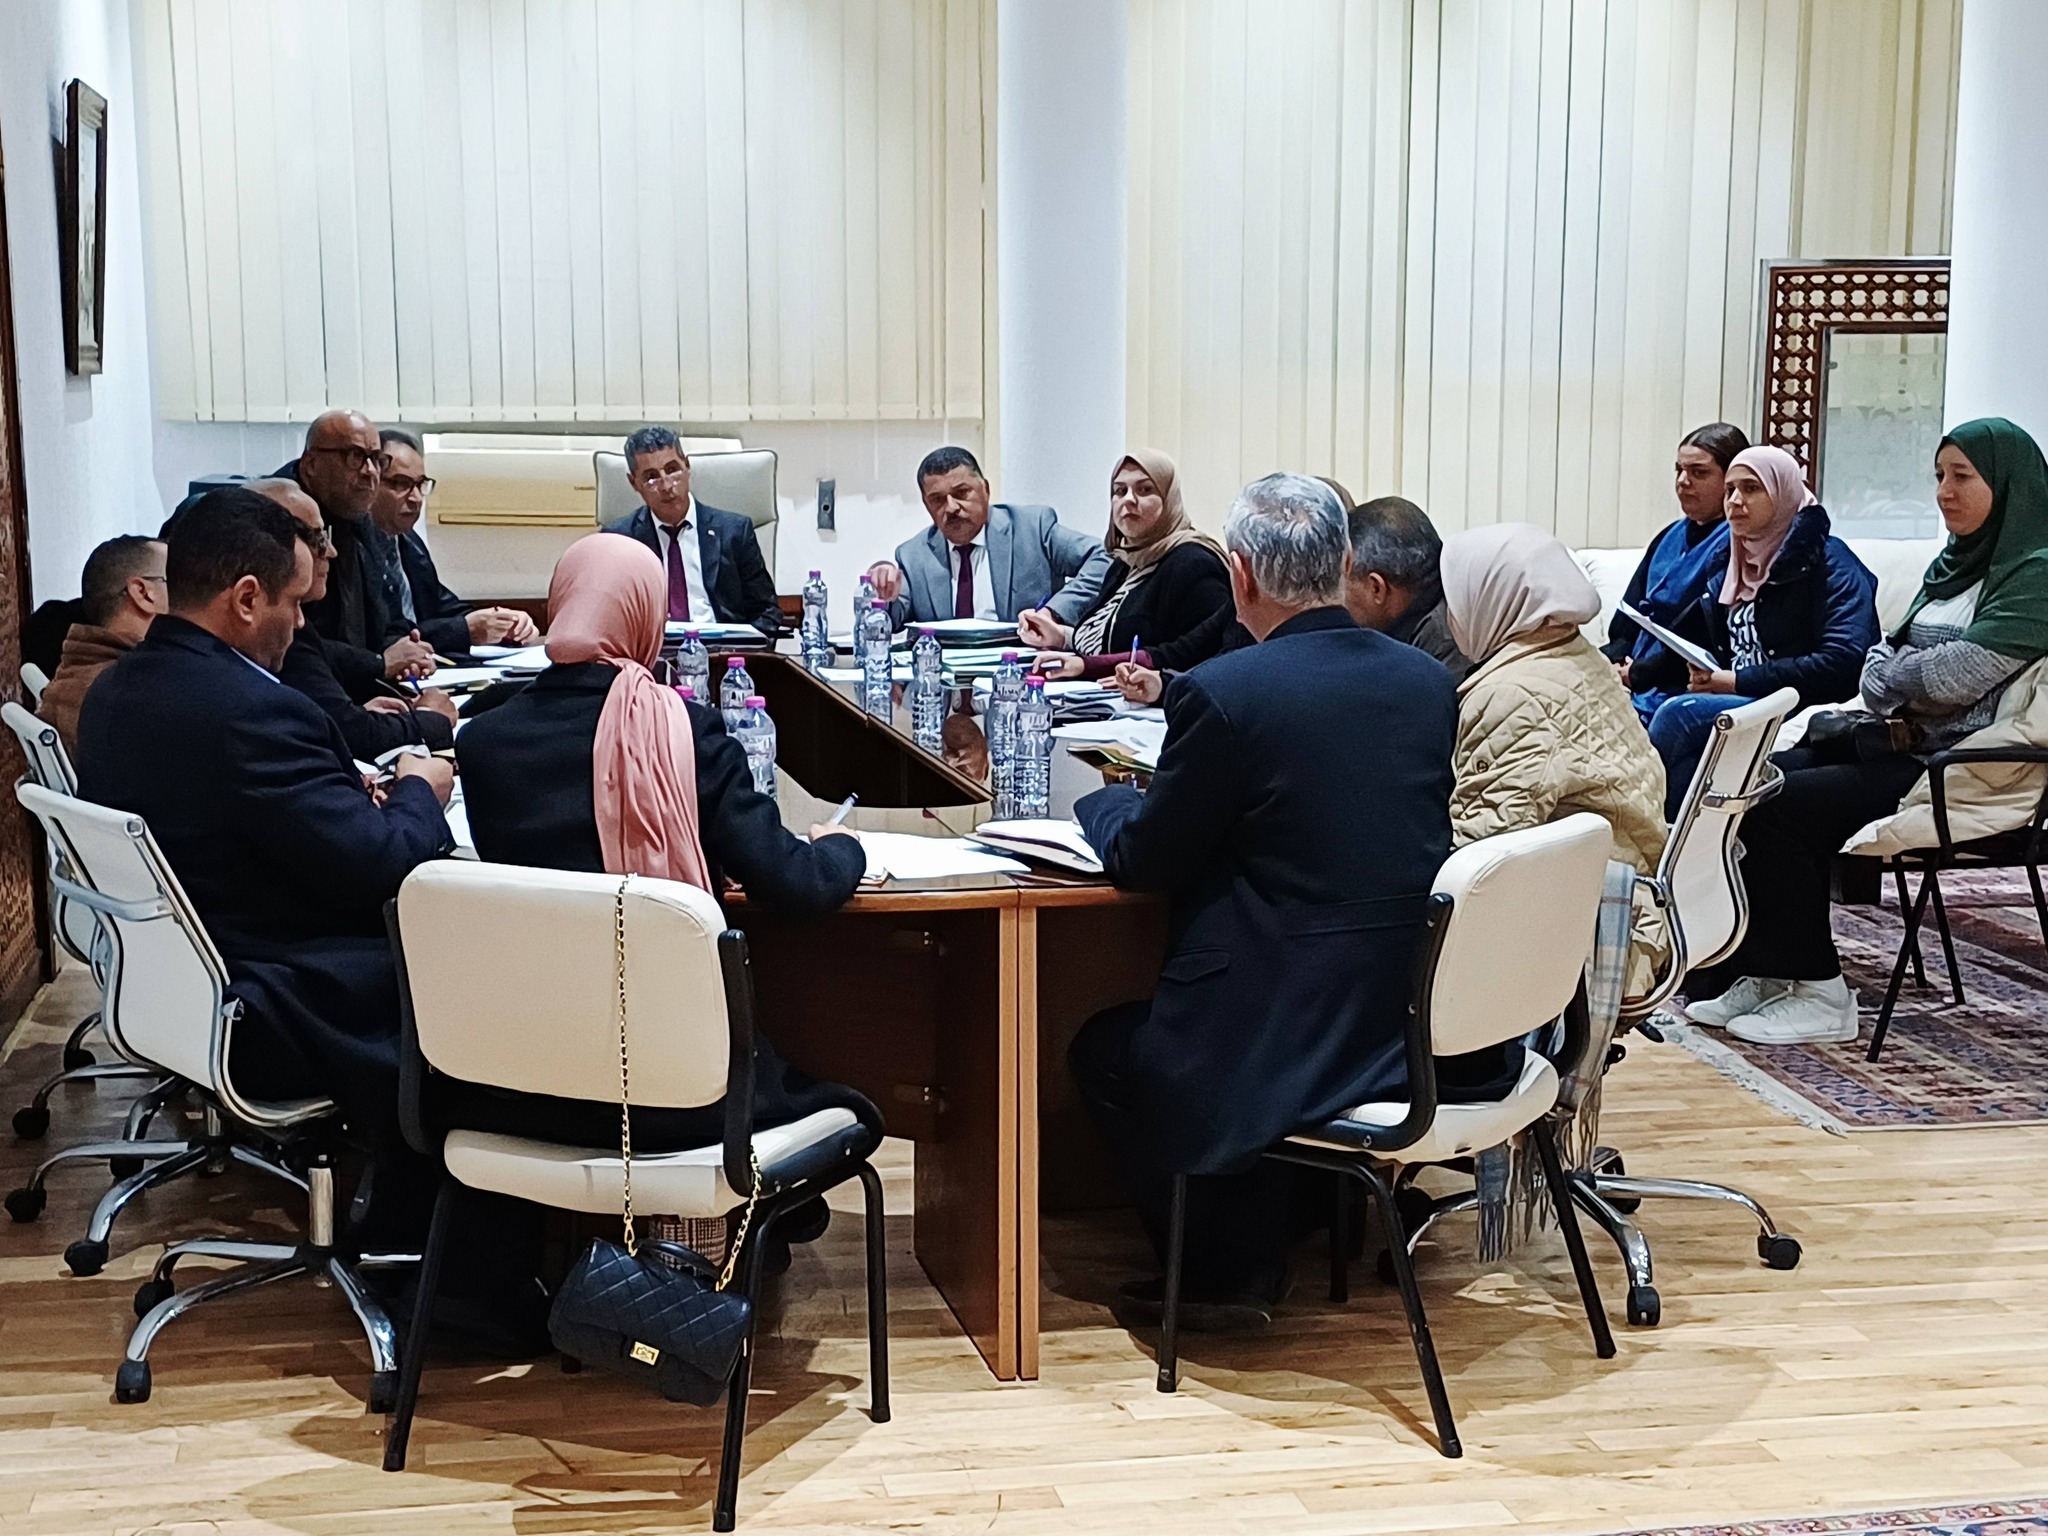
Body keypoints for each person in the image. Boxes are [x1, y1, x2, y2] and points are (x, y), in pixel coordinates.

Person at [1067, 473, 1463, 1329]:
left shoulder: (1225, 692)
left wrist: (1102, 805)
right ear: (1344, 564)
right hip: (1402, 1013)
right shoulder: (1425, 682)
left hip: (1274, 1023)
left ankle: (1223, 1269)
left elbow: (1148, 859)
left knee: (1106, 1048)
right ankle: (1305, 1218)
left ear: (1240, 575)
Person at [456, 534, 872, 1262]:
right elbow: (797, 884)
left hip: (523, 1087)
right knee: (845, 1101)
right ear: (647, 618)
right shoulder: (685, 733)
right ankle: (739, 1238)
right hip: (676, 1096)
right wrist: (842, 847)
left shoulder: (484, 741)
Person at [75, 486, 454, 1156]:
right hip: (281, 997)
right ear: (247, 598)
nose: (301, 625)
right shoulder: (255, 712)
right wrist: (420, 788)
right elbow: (384, 866)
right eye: (295, 604)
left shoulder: (114, 689)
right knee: (484, 947)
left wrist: (340, 799)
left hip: (177, 983)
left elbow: (243, 817)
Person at [1689, 418, 2048, 1044]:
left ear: (2009, 484)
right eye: (1939, 475)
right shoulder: (1953, 565)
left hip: (1962, 766)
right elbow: (1878, 666)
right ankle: (1770, 972)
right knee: (1748, 782)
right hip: (1902, 741)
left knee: (1779, 806)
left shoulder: (2034, 574)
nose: (1944, 491)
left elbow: (1957, 678)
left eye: (1962, 477)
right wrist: (1908, 674)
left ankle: (1822, 992)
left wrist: (1903, 673)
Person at [1439, 523, 1669, 992]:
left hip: (1588, 935)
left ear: (1494, 597)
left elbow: (1483, 855)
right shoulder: (1580, 656)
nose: (1450, 615)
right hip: (1633, 902)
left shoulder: (1509, 694)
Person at [1628, 446, 1878, 815]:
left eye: (1751, 489)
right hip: (1746, 697)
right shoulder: (1732, 560)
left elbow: (1843, 662)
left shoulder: (1829, 560)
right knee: (1657, 725)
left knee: (1679, 714)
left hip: (1801, 703)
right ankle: (1684, 839)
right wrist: (1633, 675)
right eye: (1730, 490)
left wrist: (1735, 681)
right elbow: (1693, 636)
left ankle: (1654, 830)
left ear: (1783, 493)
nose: (1735, 501)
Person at [1111, 487, 1470, 704]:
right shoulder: (1416, 635)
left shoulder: (1441, 658)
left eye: (1342, 576)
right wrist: (1168, 686)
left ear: (1377, 588)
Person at [246, 477, 460, 759]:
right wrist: (431, 718)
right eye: (316, 538)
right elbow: (355, 735)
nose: (331, 551)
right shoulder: (275, 624)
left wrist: (360, 710)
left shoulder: (406, 544)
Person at [1022, 451, 1231, 680]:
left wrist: (1088, 666)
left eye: (1145, 490)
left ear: (1169, 499)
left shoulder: (1193, 563)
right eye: (1120, 491)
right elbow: (1111, 642)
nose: (1128, 500)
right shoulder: (1125, 563)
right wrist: (1062, 637)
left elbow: (1200, 653)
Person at [866, 446, 1112, 629]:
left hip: (1021, 663)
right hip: (945, 673)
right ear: (926, 505)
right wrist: (882, 591)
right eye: (937, 500)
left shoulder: (1033, 528)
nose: (951, 507)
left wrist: (1054, 611)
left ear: (985, 490)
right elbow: (893, 618)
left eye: (962, 493)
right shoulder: (914, 555)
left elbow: (1104, 558)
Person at [281, 410, 437, 695]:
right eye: (354, 456)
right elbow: (289, 641)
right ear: (311, 464)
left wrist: (402, 645)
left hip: (359, 684)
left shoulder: (361, 514)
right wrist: (377, 663)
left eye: (376, 459)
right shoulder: (280, 514)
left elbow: (383, 613)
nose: (370, 471)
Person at [1605, 423, 1749, 713]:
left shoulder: (1738, 544)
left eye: (1699, 472)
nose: (1683, 481)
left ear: (1730, 481)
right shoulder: (1668, 536)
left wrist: (1636, 674)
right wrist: (1611, 664)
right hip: (1631, 672)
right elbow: (1626, 620)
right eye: (1679, 470)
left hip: (1678, 683)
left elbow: (1706, 638)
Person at [370, 429, 538, 655]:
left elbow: (443, 608)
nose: (416, 498)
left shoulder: (408, 542)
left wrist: (502, 622)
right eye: (401, 484)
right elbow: (383, 636)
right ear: (370, 482)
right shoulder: (354, 548)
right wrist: (464, 630)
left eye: (420, 485)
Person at [601, 425, 781, 632]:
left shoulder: (735, 532)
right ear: (634, 483)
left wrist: (744, 646)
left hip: (724, 648)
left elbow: (767, 612)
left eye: (672, 470)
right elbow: (608, 618)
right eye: (651, 477)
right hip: (653, 649)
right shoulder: (620, 540)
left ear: (687, 467)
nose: (666, 486)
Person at [36, 535, 167, 760]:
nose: (195, 591)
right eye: (180, 579)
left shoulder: (80, 672)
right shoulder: (130, 693)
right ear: (144, 593)